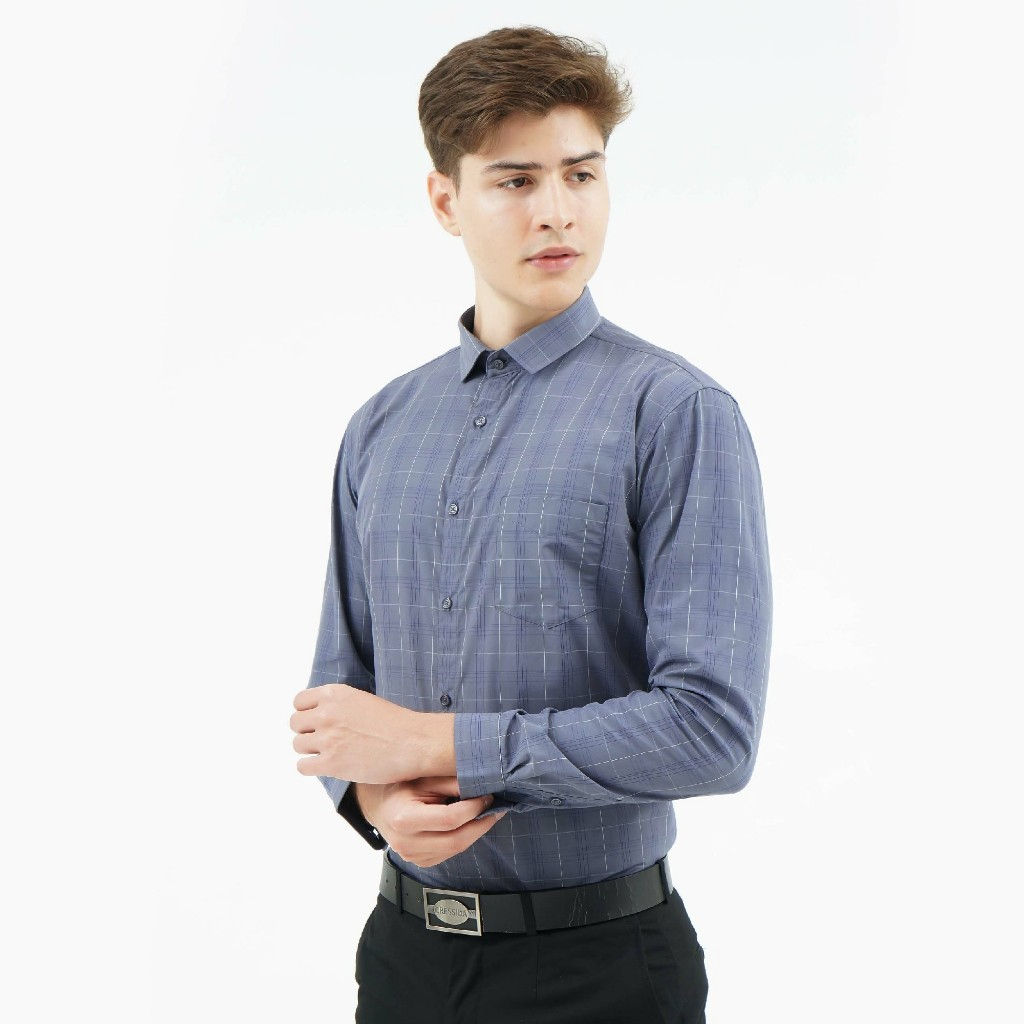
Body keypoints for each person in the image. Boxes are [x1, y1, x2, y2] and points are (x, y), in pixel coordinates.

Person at [289, 24, 772, 1024]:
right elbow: (340, 700)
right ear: (445, 200)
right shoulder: (380, 426)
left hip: (603, 970)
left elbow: (712, 731)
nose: (557, 211)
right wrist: (376, 799)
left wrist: (441, 744)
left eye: (581, 174)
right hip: (404, 959)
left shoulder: (674, 414)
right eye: (515, 181)